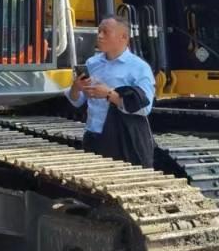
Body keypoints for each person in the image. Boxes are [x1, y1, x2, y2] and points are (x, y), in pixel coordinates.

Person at [66, 15, 156, 168]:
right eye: (99, 31)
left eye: (105, 32)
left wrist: (108, 94)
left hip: (123, 139)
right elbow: (77, 101)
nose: (99, 36)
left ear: (124, 37)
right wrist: (76, 87)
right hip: (93, 135)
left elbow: (144, 108)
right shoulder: (92, 63)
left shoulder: (139, 68)